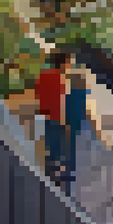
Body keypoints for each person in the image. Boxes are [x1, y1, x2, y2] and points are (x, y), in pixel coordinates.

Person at [61, 66, 99, 188]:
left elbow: (67, 108)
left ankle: (69, 169)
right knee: (75, 146)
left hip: (71, 122)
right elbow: (85, 110)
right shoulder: (82, 93)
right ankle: (72, 168)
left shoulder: (71, 94)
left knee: (70, 145)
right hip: (79, 124)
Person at [35, 51, 70, 182]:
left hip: (43, 115)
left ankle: (49, 174)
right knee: (58, 148)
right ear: (62, 63)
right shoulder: (60, 78)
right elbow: (61, 101)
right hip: (56, 117)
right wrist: (65, 121)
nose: (68, 66)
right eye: (67, 63)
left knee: (49, 147)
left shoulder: (42, 75)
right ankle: (55, 178)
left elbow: (37, 93)